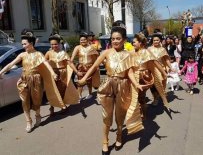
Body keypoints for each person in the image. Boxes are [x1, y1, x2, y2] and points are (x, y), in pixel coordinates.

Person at [78, 21, 145, 154]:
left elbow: (130, 72)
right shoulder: (106, 52)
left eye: (118, 38)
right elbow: (94, 66)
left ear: (124, 40)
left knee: (120, 115)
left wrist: (137, 84)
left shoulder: (129, 54)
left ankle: (119, 135)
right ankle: (105, 141)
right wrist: (85, 78)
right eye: (113, 39)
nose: (115, 41)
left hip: (123, 85)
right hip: (108, 84)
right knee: (107, 115)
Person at [0, 30, 64, 133]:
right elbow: (10, 64)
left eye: (25, 44)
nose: (23, 46)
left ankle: (38, 115)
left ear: (31, 43)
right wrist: (1, 72)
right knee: (24, 101)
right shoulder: (22, 55)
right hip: (24, 79)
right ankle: (28, 121)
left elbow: (46, 64)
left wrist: (53, 73)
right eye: (22, 44)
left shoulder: (38, 54)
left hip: (36, 80)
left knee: (36, 101)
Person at [131, 33, 168, 120]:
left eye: (134, 42)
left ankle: (143, 113)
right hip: (133, 77)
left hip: (143, 77)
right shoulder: (132, 52)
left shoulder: (146, 52)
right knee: (135, 97)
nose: (133, 44)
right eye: (132, 42)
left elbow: (155, 62)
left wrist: (164, 73)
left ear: (140, 43)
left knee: (140, 97)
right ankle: (140, 110)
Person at [45, 33, 80, 115]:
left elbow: (70, 63)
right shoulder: (48, 53)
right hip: (53, 73)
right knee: (53, 91)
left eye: (55, 44)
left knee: (61, 91)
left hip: (62, 73)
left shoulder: (63, 53)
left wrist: (77, 71)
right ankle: (52, 107)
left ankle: (62, 106)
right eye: (52, 44)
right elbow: (43, 62)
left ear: (59, 44)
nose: (54, 46)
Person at [70, 32, 100, 99]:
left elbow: (97, 57)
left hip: (90, 67)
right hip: (81, 67)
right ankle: (79, 95)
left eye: (84, 39)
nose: (83, 41)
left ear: (87, 40)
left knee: (89, 82)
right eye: (81, 40)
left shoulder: (91, 47)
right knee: (80, 82)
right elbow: (72, 58)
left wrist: (96, 66)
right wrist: (71, 61)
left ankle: (90, 93)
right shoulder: (77, 47)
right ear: (79, 41)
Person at [148, 31, 172, 106]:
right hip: (151, 70)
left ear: (160, 41)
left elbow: (167, 60)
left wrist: (171, 67)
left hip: (161, 70)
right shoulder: (149, 49)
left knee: (160, 85)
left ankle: (159, 96)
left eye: (157, 40)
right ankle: (155, 98)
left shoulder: (163, 49)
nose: (155, 41)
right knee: (152, 86)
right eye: (154, 40)